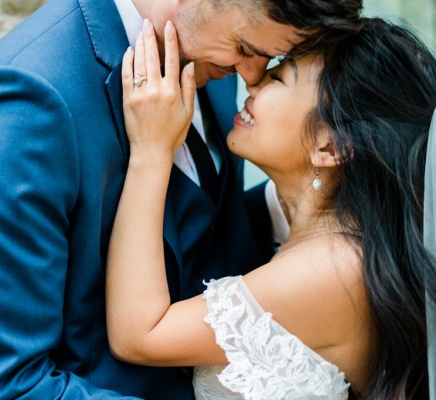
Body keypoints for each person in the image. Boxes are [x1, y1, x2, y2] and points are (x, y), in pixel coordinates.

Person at [0, 0, 363, 398]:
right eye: (246, 48)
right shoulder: (27, 97)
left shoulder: (212, 69)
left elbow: (205, 236)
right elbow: (3, 385)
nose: (252, 75)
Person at [106, 17, 436, 399]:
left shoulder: (333, 270)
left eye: (280, 78)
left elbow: (139, 336)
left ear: (330, 148)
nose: (253, 81)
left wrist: (151, 151)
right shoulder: (324, 222)